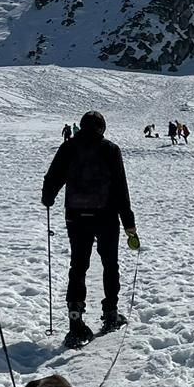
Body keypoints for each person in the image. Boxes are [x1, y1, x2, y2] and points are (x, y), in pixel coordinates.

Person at [43, 110, 141, 347]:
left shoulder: (69, 147)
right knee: (110, 263)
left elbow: (52, 178)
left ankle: (75, 321)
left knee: (78, 265)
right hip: (106, 216)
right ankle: (110, 314)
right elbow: (120, 188)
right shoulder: (110, 149)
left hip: (76, 216)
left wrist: (48, 198)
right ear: (102, 128)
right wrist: (128, 223)